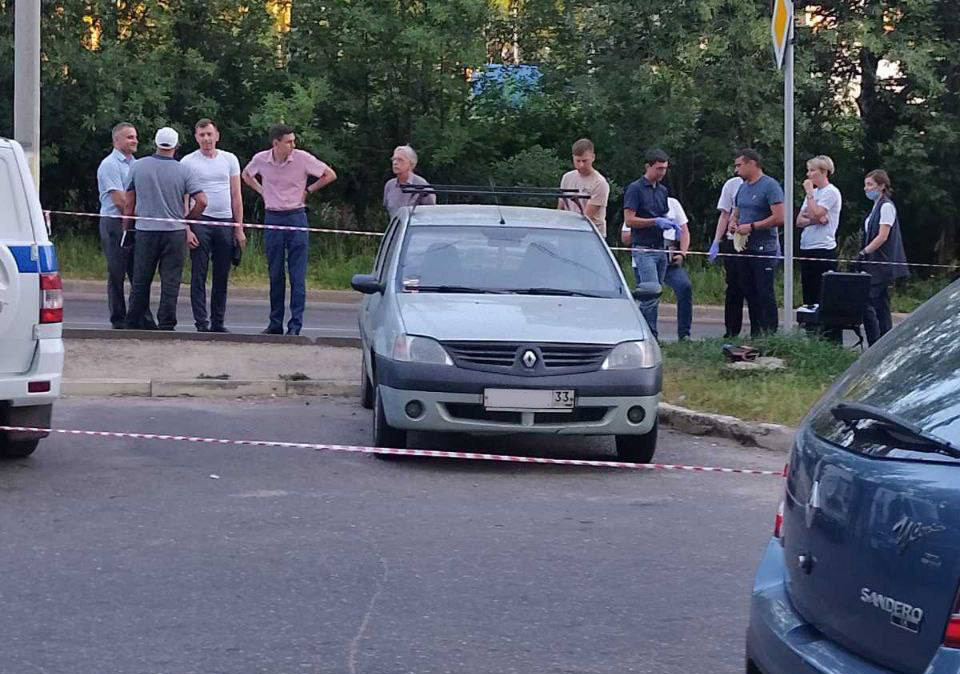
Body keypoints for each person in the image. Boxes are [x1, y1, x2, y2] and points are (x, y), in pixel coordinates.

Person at [242, 124, 337, 336]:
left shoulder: (302, 158)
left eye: (294, 141)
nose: (293, 145)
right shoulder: (261, 159)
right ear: (276, 144)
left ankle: (295, 325)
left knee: (297, 275)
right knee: (275, 273)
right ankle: (275, 322)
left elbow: (329, 174)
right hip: (273, 216)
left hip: (296, 216)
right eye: (288, 142)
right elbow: (246, 174)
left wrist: (308, 190)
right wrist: (262, 190)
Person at [123, 127, 207, 330]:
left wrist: (127, 228)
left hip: (146, 230)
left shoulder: (138, 166)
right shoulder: (184, 170)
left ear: (156, 143)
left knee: (141, 278)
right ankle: (167, 322)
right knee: (171, 280)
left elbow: (129, 203)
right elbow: (202, 201)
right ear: (176, 146)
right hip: (174, 232)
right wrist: (188, 218)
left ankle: (133, 320)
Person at [180, 119, 245, 333]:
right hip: (200, 221)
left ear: (217, 135)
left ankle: (218, 322)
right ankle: (201, 323)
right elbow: (184, 197)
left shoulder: (229, 159)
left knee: (221, 274)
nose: (206, 139)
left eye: (209, 134)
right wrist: (187, 229)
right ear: (196, 137)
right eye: (202, 135)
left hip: (224, 221)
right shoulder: (188, 162)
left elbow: (236, 195)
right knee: (199, 273)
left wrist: (238, 227)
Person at [96, 122, 155, 329]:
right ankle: (119, 318)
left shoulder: (136, 164)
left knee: (138, 271)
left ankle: (140, 316)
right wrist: (144, 215)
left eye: (135, 136)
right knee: (117, 272)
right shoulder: (110, 165)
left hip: (134, 222)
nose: (135, 140)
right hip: (115, 223)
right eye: (130, 137)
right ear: (117, 141)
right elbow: (120, 201)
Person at [622, 149, 679, 339]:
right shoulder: (635, 189)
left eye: (665, 169)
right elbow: (629, 220)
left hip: (660, 247)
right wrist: (654, 222)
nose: (662, 173)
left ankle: (651, 333)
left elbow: (662, 214)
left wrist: (670, 225)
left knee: (656, 293)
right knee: (650, 294)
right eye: (659, 168)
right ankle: (646, 335)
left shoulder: (662, 191)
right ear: (648, 166)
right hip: (643, 249)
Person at [622, 195, 692, 340]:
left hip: (668, 258)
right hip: (645, 255)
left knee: (684, 286)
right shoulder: (640, 204)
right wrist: (650, 225)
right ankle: (650, 336)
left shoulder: (673, 203)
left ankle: (684, 334)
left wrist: (682, 253)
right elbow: (625, 237)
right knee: (650, 294)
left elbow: (684, 230)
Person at [730, 149, 784, 336]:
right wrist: (733, 222)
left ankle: (770, 334)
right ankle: (756, 333)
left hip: (763, 248)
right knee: (749, 292)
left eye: (739, 165)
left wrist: (752, 226)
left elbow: (779, 217)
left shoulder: (770, 186)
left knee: (764, 293)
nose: (736, 170)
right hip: (744, 248)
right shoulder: (742, 187)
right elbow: (737, 211)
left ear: (751, 163)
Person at [859, 169, 908, 346]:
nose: (866, 188)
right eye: (865, 185)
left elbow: (882, 236)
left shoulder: (886, 206)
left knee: (868, 301)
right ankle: (885, 343)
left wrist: (864, 252)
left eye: (870, 184)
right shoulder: (876, 206)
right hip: (875, 263)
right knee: (882, 305)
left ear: (881, 186)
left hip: (882, 263)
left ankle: (876, 343)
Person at [796, 155, 842, 307]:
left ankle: (825, 329)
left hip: (823, 248)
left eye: (812, 170)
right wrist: (814, 219)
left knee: (822, 294)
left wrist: (810, 195)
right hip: (807, 246)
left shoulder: (831, 192)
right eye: (808, 171)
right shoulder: (814, 195)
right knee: (809, 294)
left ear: (824, 172)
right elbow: (799, 221)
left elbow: (816, 212)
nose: (808, 175)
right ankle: (811, 328)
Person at [708, 174, 745, 337]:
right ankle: (731, 331)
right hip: (733, 240)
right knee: (733, 288)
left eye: (739, 165)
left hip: (754, 240)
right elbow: (724, 215)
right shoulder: (732, 185)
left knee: (755, 289)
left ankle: (760, 332)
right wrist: (717, 241)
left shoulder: (765, 184)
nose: (737, 170)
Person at [558, 138, 610, 237]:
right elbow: (561, 207)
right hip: (568, 230)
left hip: (592, 234)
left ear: (593, 157)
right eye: (578, 161)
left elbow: (586, 217)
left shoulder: (599, 183)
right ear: (573, 158)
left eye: (585, 161)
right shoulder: (567, 178)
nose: (581, 165)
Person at [382, 145, 436, 217]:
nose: (395, 163)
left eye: (400, 160)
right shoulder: (390, 185)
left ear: (411, 164)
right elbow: (387, 209)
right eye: (393, 159)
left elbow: (431, 211)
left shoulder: (422, 184)